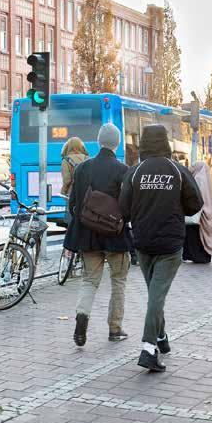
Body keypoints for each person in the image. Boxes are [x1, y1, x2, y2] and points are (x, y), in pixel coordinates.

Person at [120, 124, 203, 372]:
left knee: (155, 294)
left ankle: (161, 339)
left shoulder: (135, 172)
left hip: (143, 243)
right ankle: (148, 347)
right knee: (157, 296)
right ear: (165, 142)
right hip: (170, 244)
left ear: (143, 143)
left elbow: (123, 210)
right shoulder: (177, 171)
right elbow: (195, 204)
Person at [64, 126, 131, 346]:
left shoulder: (82, 168)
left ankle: (81, 323)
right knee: (118, 282)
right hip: (116, 236)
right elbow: (128, 206)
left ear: (98, 141)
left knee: (89, 281)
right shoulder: (123, 170)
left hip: (88, 235)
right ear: (117, 143)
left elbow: (73, 204)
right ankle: (115, 328)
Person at [183, 161, 212, 264]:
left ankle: (196, 256)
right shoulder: (206, 178)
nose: (191, 168)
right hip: (209, 209)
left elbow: (195, 196)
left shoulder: (197, 178)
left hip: (199, 212)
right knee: (202, 236)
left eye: (193, 166)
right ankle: (204, 256)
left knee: (194, 234)